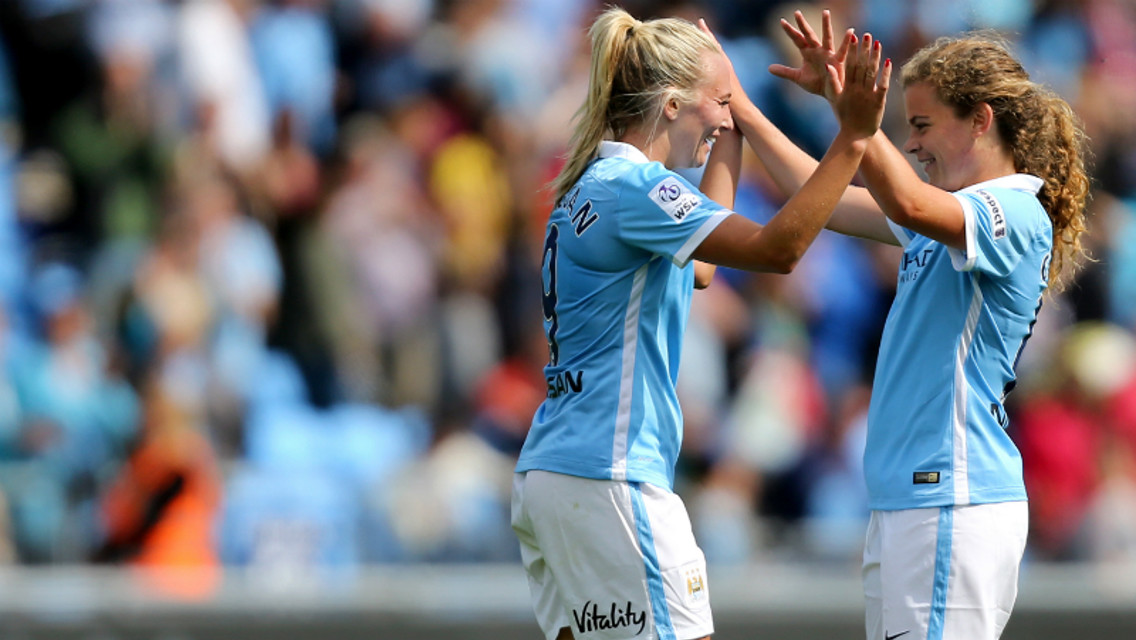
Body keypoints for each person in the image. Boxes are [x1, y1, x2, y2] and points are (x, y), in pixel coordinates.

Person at [702, 10, 1090, 640]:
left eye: (921, 124)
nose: (910, 142)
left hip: (952, 499)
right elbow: (814, 191)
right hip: (911, 502)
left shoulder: (1015, 208)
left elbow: (905, 195)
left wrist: (855, 126)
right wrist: (743, 106)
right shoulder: (946, 220)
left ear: (981, 121)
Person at [510, 6, 889, 640]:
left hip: (556, 474)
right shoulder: (637, 189)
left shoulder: (589, 186)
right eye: (717, 102)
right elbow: (779, 250)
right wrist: (851, 138)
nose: (723, 114)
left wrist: (732, 124)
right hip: (612, 476)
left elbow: (705, 270)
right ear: (671, 106)